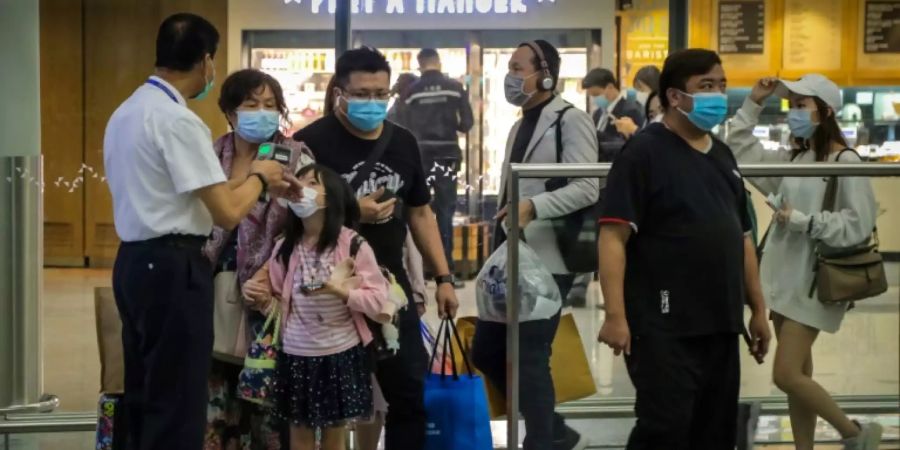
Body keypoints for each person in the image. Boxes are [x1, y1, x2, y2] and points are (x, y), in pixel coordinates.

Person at [104, 13, 287, 450]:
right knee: (179, 400)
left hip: (132, 262)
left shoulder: (127, 111)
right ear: (207, 62)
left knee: (146, 391)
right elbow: (225, 212)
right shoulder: (178, 121)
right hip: (172, 265)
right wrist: (261, 176)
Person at [596, 48, 772, 450]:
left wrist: (757, 310)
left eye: (722, 85)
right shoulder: (644, 152)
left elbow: (741, 237)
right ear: (675, 97)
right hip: (663, 327)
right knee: (665, 429)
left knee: (714, 432)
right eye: (706, 86)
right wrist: (615, 315)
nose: (718, 95)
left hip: (721, 324)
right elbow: (613, 236)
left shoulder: (723, 156)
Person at [292, 46, 460, 450]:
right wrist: (350, 211)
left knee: (407, 393)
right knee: (321, 405)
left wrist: (444, 278)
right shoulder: (309, 142)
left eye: (380, 94)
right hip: (326, 290)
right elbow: (292, 211)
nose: (373, 102)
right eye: (362, 94)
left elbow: (421, 214)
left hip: (387, 287)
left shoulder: (402, 142)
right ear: (340, 95)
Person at [726, 74, 883, 450]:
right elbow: (738, 147)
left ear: (825, 111)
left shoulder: (845, 160)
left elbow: (858, 224)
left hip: (814, 282)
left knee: (786, 374)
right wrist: (754, 102)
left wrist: (802, 221)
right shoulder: (796, 157)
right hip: (783, 279)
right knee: (800, 373)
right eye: (791, 105)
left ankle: (855, 434)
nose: (793, 113)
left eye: (801, 105)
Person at [470, 40, 599, 450]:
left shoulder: (569, 120)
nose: (511, 75)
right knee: (488, 350)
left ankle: (542, 441)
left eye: (517, 67)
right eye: (508, 66)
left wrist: (534, 206)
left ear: (545, 73)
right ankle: (556, 430)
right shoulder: (518, 124)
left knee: (528, 356)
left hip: (549, 257)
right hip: (512, 256)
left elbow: (588, 184)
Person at [201, 68, 314, 450]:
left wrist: (271, 270)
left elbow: (309, 224)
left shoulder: (295, 156)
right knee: (214, 401)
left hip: (271, 295)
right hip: (211, 290)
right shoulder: (211, 154)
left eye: (270, 105)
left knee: (267, 403)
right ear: (230, 112)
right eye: (251, 104)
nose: (261, 112)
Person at [245, 164, 391, 450]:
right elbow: (276, 303)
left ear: (332, 197)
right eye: (298, 181)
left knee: (334, 440)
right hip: (295, 355)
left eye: (313, 182)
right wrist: (261, 299)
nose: (301, 187)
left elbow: (377, 300)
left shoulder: (353, 245)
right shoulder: (285, 247)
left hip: (340, 354)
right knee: (299, 438)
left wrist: (344, 293)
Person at [400, 48, 475, 287]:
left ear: (419, 64)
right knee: (445, 210)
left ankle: (420, 268)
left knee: (417, 210)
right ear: (438, 62)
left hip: (419, 156)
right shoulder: (454, 87)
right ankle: (446, 271)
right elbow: (467, 124)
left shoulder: (411, 92)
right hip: (447, 155)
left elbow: (403, 126)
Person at [582, 68, 645, 161]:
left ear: (610, 87)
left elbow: (632, 144)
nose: (594, 99)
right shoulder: (597, 114)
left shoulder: (631, 110)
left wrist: (598, 135)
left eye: (596, 94)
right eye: (591, 95)